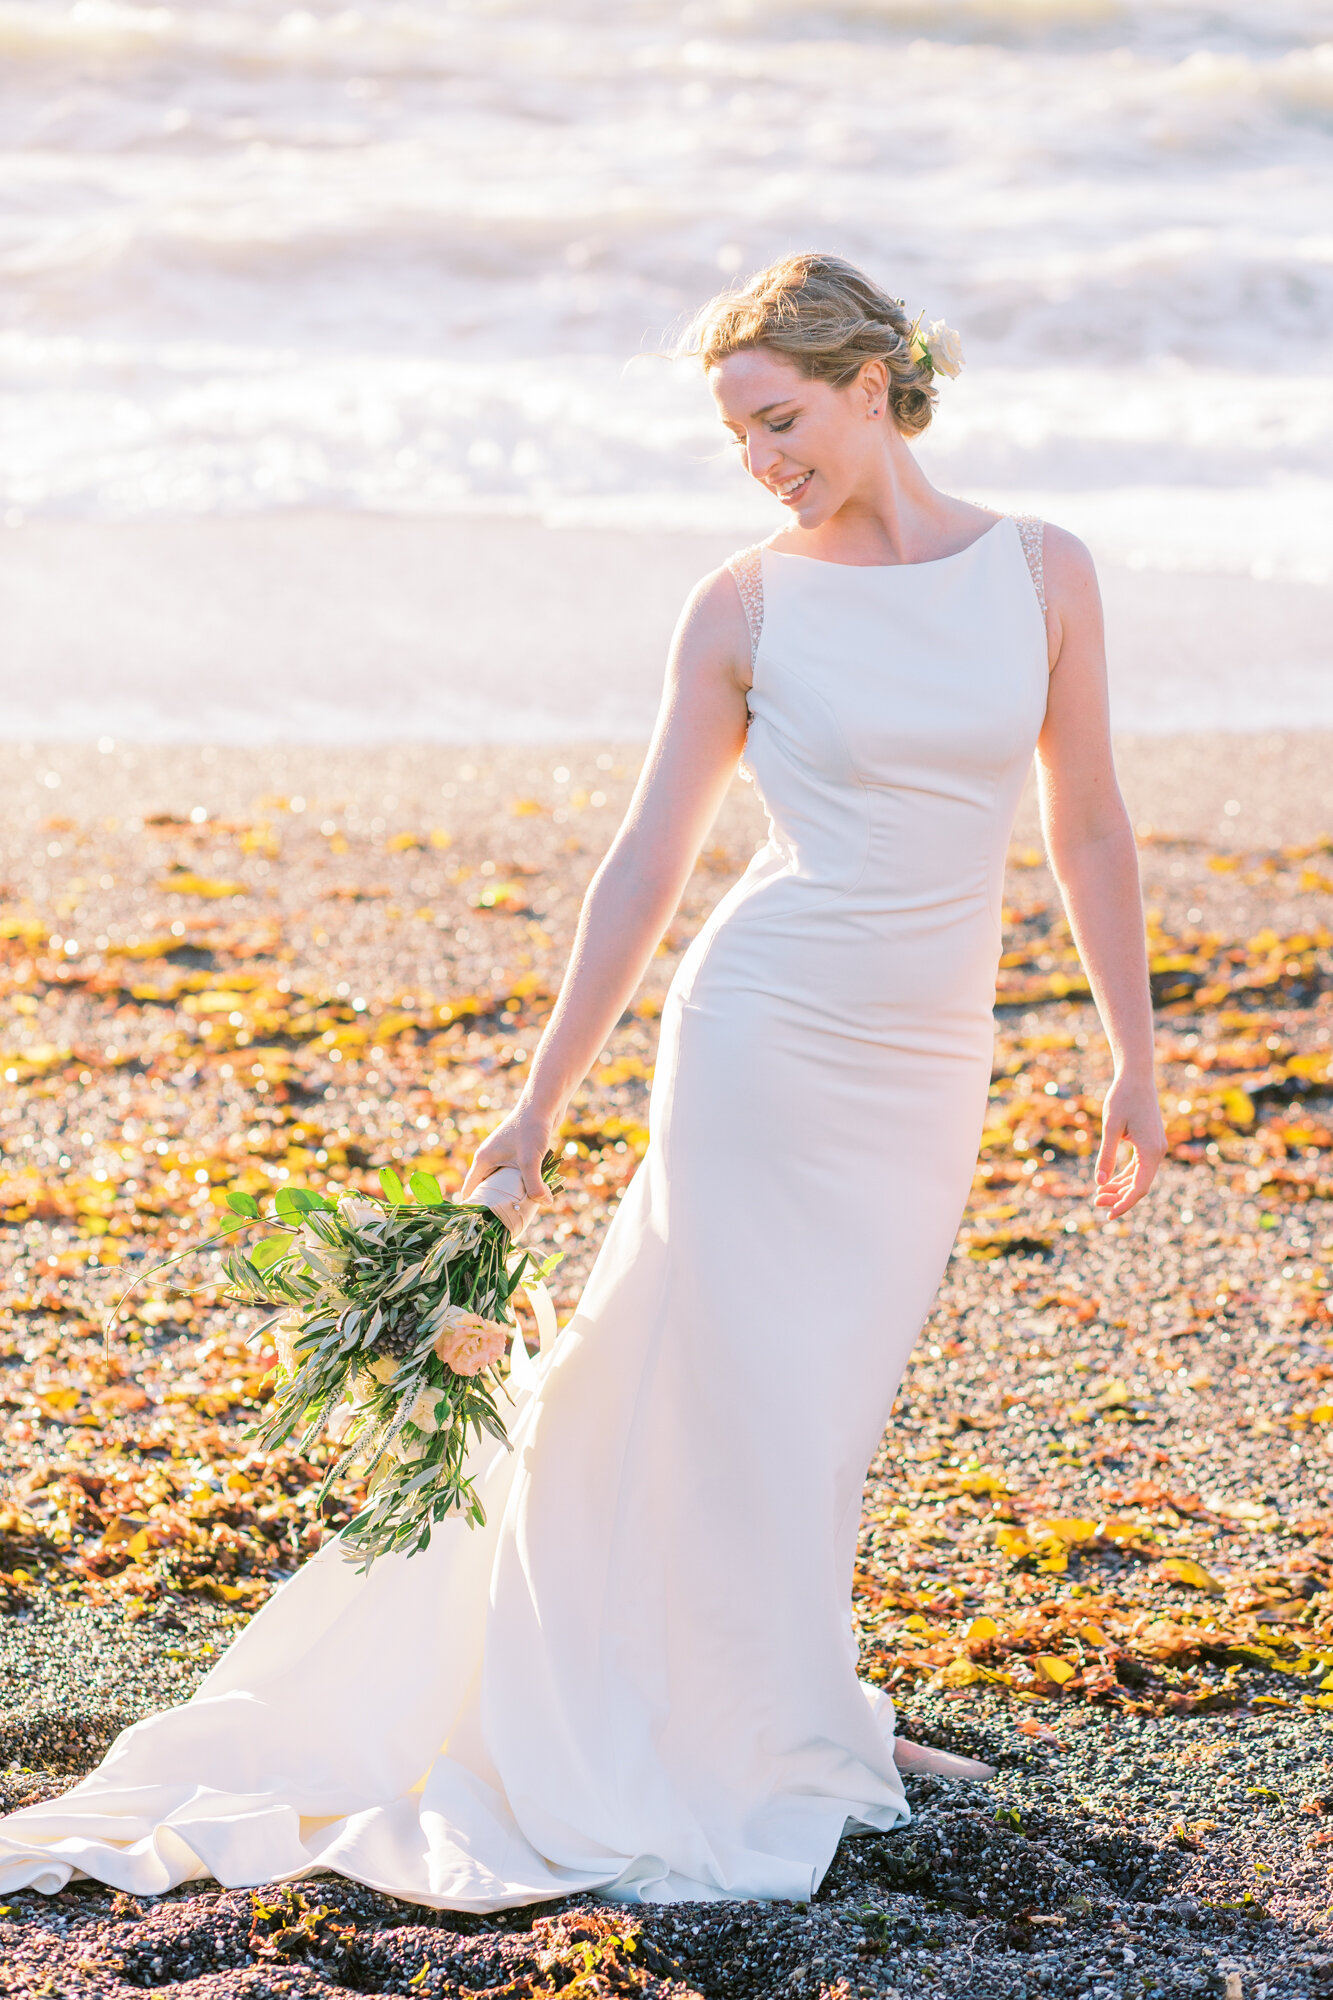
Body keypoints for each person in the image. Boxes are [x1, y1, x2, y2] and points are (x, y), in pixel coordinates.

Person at [0, 252, 1164, 1910]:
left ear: (870, 383)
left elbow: (1091, 819)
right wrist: (532, 1111)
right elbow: (644, 864)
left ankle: (798, 1692)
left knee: (826, 1393)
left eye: (779, 422)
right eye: (737, 439)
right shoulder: (743, 605)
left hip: (929, 1055)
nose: (763, 461)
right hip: (764, 1029)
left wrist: (1132, 1053)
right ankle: (751, 1710)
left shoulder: (1042, 569)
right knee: (736, 1370)